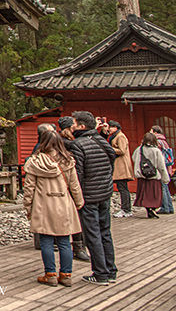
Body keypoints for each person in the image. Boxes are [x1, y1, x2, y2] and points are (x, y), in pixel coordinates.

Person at [24, 128, 85, 287]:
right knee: (65, 241)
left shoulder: (36, 162)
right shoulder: (67, 160)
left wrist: (28, 206)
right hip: (63, 202)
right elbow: (74, 185)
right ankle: (66, 274)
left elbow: (29, 187)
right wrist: (79, 202)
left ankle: (50, 274)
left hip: (43, 203)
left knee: (46, 241)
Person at [69, 110, 118, 285]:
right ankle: (111, 270)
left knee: (92, 234)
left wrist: (77, 196)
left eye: (74, 123)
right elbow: (112, 158)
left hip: (89, 195)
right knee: (105, 231)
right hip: (104, 192)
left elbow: (78, 174)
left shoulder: (78, 145)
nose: (72, 126)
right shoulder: (100, 140)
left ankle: (100, 273)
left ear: (81, 126)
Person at [57, 115, 89, 262]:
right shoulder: (69, 144)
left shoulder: (64, 142)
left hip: (64, 184)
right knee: (76, 216)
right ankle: (78, 246)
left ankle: (74, 244)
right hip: (70, 182)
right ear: (70, 127)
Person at [133, 132, 170, 218]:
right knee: (154, 195)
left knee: (145, 194)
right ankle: (152, 209)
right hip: (153, 176)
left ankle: (148, 209)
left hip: (142, 175)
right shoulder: (156, 151)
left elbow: (134, 158)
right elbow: (161, 166)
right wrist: (165, 178)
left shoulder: (139, 149)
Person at [107, 121, 134, 218]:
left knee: (123, 188)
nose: (109, 129)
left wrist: (110, 148)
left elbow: (122, 150)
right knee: (122, 187)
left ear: (116, 127)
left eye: (111, 127)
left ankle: (126, 209)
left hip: (121, 165)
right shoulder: (115, 136)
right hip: (118, 165)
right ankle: (126, 209)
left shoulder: (120, 136)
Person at [151, 125, 174, 214]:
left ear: (155, 132)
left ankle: (165, 207)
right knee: (165, 186)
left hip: (161, 166)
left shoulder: (157, 141)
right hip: (167, 166)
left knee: (162, 187)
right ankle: (170, 207)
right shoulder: (164, 141)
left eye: (151, 131)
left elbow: (156, 154)